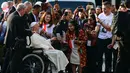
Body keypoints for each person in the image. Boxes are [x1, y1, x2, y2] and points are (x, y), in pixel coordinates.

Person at [3, 3, 31, 73]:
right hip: (16, 44)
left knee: (7, 62)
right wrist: (30, 32)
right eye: (25, 10)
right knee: (14, 63)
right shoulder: (18, 18)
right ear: (22, 10)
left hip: (9, 42)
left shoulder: (11, 15)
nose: (25, 12)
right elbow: (22, 31)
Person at [111, 0, 130, 73]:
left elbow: (113, 29)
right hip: (124, 41)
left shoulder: (119, 14)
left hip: (122, 41)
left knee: (121, 61)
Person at [95, 1, 113, 73]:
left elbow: (109, 28)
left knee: (108, 58)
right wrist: (95, 31)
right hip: (100, 39)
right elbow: (98, 26)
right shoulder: (100, 15)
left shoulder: (113, 17)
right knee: (99, 57)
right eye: (102, 8)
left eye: (105, 9)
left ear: (109, 8)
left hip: (108, 39)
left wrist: (101, 22)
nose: (103, 10)